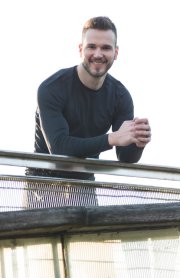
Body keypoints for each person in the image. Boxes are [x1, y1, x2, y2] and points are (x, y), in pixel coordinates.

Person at [24, 16, 151, 207]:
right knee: (39, 236)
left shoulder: (120, 96)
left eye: (106, 48)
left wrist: (138, 141)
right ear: (80, 49)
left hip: (83, 183)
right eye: (92, 46)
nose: (98, 54)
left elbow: (125, 157)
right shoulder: (51, 88)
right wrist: (112, 138)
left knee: (88, 237)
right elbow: (59, 148)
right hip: (43, 182)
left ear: (116, 53)